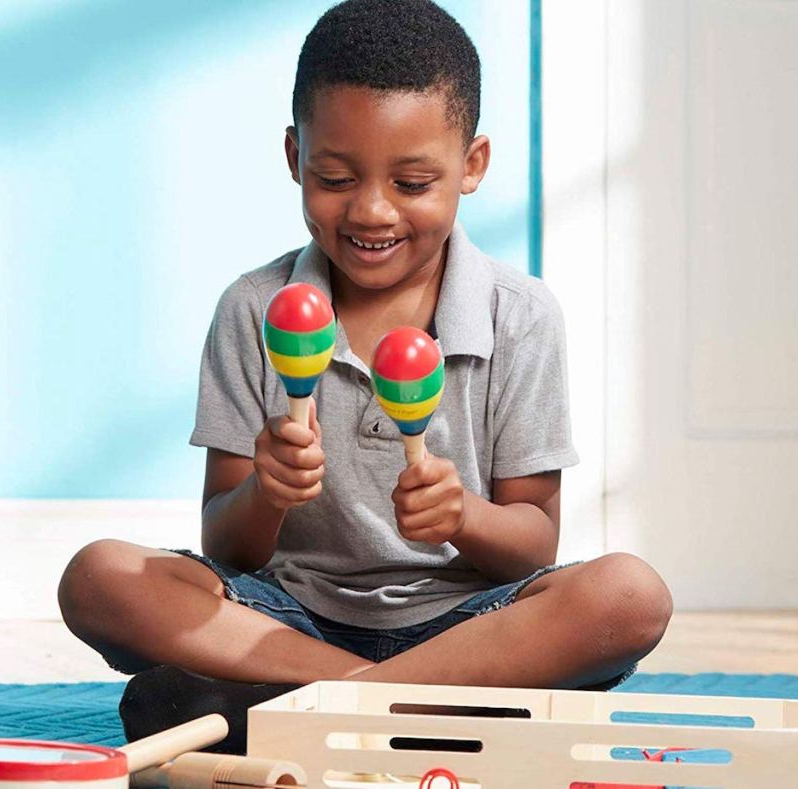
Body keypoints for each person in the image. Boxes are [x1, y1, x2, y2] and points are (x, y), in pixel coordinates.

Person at [58, 0, 673, 753]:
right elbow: (229, 546)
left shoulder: (521, 316)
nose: (372, 210)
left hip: (470, 629)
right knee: (98, 577)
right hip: (286, 621)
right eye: (336, 177)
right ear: (294, 157)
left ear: (472, 165)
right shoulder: (255, 309)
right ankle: (407, 711)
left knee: (629, 595)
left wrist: (464, 518)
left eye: (413, 182)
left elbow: (534, 544)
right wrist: (265, 491)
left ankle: (306, 711)